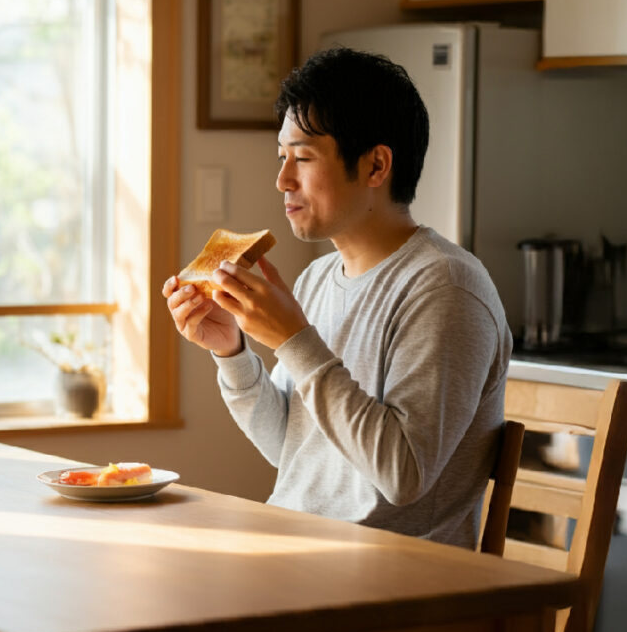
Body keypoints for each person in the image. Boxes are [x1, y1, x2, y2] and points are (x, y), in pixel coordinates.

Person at [162, 47, 512, 548]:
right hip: (299, 550)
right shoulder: (318, 278)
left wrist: (295, 340)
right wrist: (231, 352)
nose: (282, 180)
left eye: (302, 158)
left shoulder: (446, 288)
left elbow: (403, 476)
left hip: (395, 583)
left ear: (375, 165)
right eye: (282, 157)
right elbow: (292, 449)